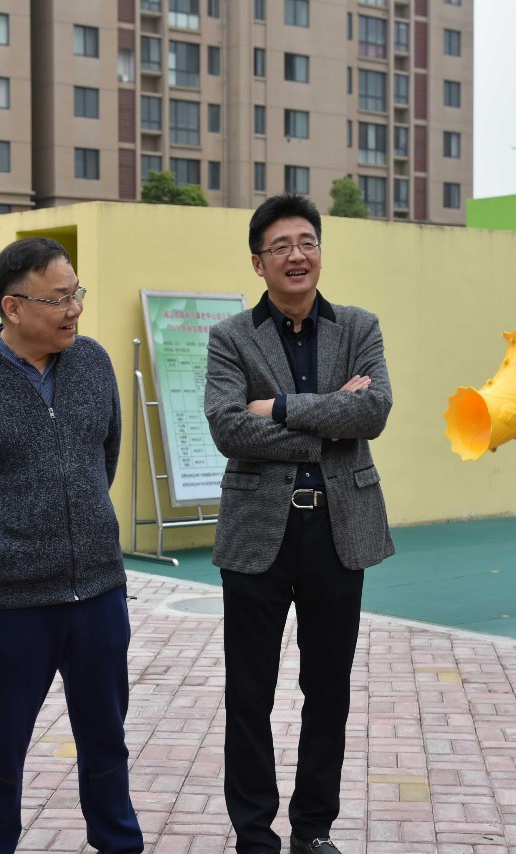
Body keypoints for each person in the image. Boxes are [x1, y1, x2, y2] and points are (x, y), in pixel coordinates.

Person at [0, 237, 143, 854]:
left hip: (98, 592)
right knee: (0, 746)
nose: (74, 309)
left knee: (106, 739)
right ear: (13, 308)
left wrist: (82, 524)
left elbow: (107, 453)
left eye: (77, 294)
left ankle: (119, 843)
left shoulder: (93, 362)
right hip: (10, 603)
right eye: (60, 298)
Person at [203, 194, 395, 854]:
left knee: (328, 690)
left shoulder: (359, 327)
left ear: (320, 252)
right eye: (281, 245)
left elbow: (374, 414)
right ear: (258, 262)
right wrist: (323, 423)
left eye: (307, 242)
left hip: (338, 531)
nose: (297, 255)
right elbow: (229, 427)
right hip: (259, 531)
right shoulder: (230, 336)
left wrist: (279, 407)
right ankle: (254, 834)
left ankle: (313, 830)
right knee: (249, 694)